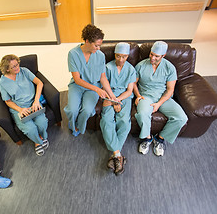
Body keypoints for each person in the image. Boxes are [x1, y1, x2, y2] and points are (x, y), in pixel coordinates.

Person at [133, 41, 188, 156]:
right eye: (151, 54)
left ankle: (159, 138)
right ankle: (147, 138)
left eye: (156, 56)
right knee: (143, 114)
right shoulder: (141, 65)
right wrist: (138, 96)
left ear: (163, 55)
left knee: (182, 118)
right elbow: (133, 83)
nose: (152, 57)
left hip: (163, 98)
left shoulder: (170, 68)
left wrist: (159, 103)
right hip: (146, 96)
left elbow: (170, 90)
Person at [64, 24, 115, 137]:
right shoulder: (73, 54)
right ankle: (72, 126)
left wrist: (112, 95)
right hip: (78, 86)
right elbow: (77, 79)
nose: (99, 48)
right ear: (87, 41)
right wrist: (97, 89)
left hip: (93, 87)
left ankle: (80, 126)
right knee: (72, 110)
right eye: (96, 45)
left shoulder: (100, 55)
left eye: (100, 45)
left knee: (87, 110)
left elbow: (103, 77)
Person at [0, 54, 49, 156]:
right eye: (13, 67)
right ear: (7, 69)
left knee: (42, 123)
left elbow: (40, 83)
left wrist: (36, 101)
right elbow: (7, 101)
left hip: (33, 103)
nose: (17, 67)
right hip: (19, 108)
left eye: (17, 64)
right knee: (30, 129)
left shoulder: (24, 71)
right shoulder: (2, 82)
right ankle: (37, 141)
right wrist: (20, 109)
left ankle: (41, 137)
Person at [100, 42, 136, 175]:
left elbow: (129, 90)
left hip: (124, 98)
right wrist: (113, 100)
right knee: (106, 121)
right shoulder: (107, 67)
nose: (121, 59)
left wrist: (118, 101)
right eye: (118, 56)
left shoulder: (131, 69)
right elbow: (104, 86)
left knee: (125, 123)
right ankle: (118, 155)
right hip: (109, 95)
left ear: (128, 56)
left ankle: (115, 155)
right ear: (115, 54)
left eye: (124, 57)